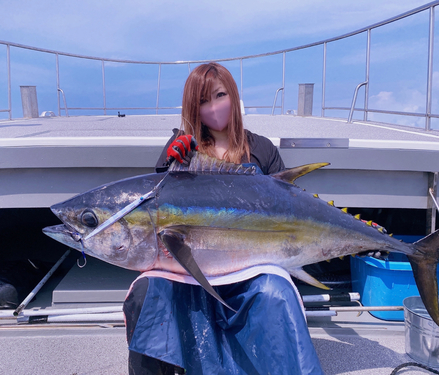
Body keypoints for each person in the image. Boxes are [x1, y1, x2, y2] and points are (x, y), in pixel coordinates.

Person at [123, 62, 324, 375]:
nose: (214, 107)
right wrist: (174, 164)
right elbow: (156, 209)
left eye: (220, 95)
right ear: (193, 107)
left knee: (276, 292)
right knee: (148, 290)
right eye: (204, 101)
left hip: (251, 266)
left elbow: (287, 203)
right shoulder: (180, 147)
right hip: (191, 269)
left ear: (233, 94)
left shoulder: (261, 149)